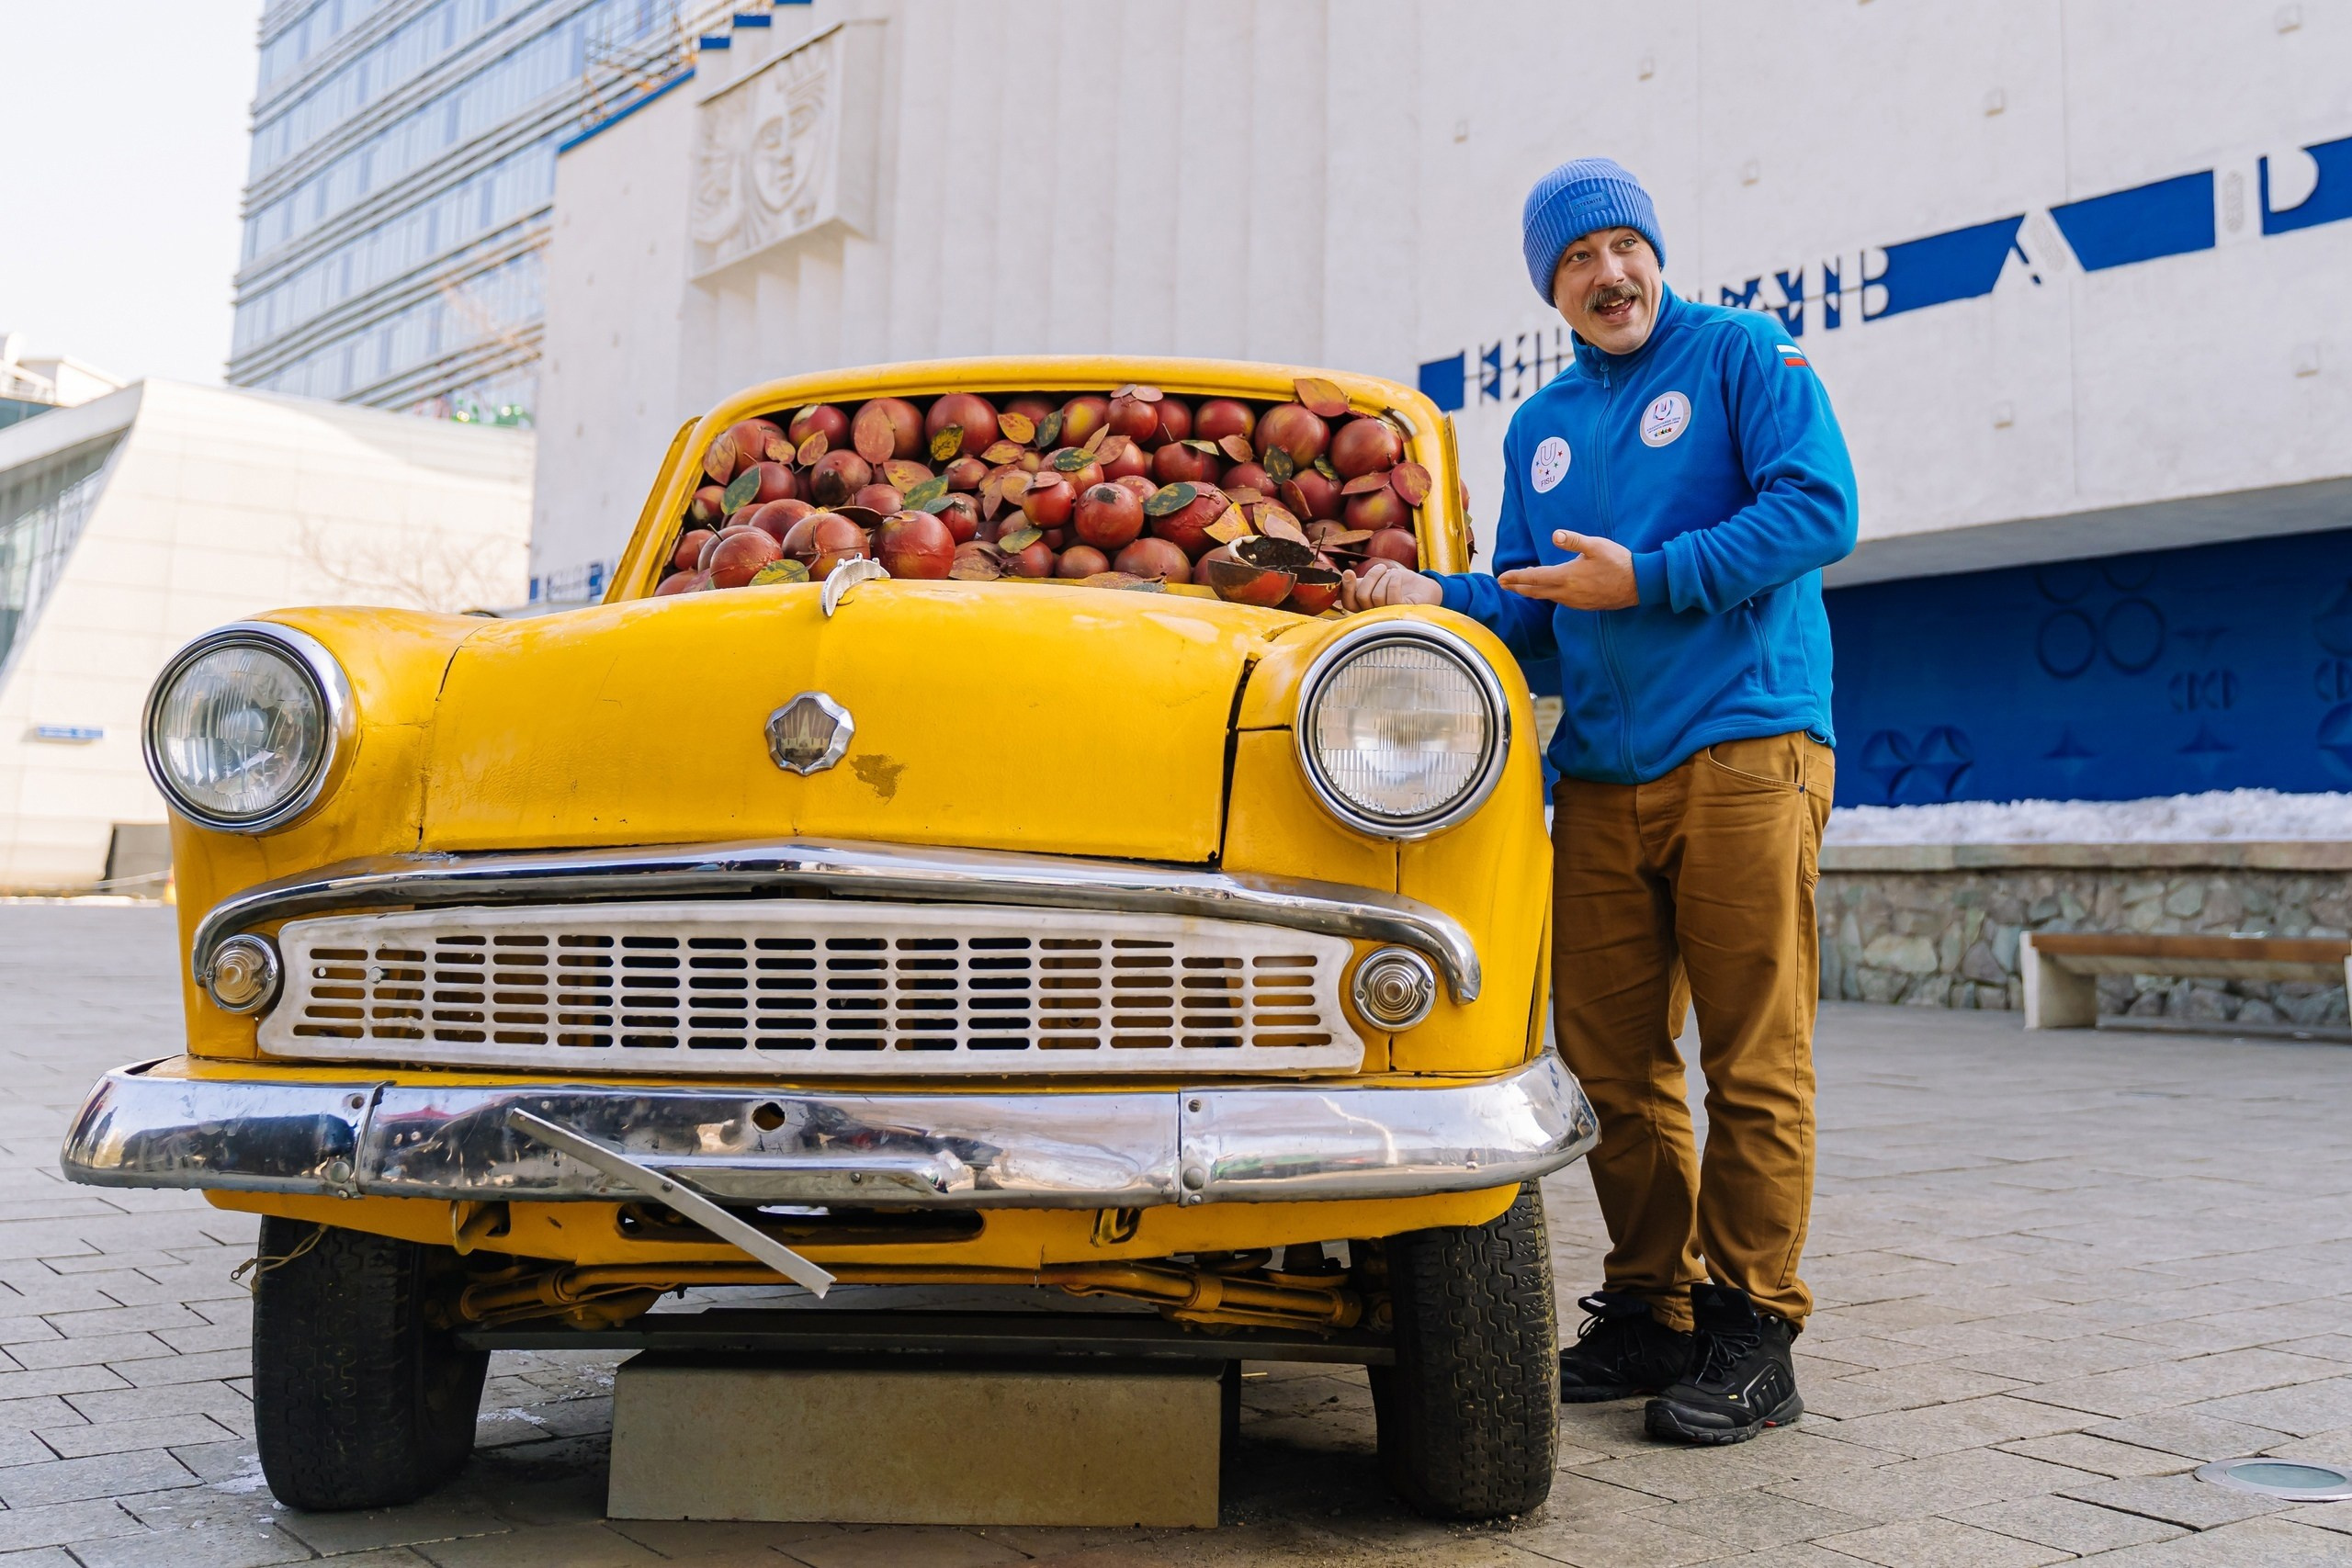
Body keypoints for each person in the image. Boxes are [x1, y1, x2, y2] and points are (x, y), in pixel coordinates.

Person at [1343, 157, 1858, 1445]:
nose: (1609, 272)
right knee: (1610, 1065)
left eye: (1625, 245)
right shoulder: (1544, 425)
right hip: (1606, 778)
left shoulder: (1743, 354)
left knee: (1752, 1057)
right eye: (1579, 258)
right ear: (1550, 287)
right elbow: (1535, 609)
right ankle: (1650, 1310)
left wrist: (1657, 577)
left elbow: (1820, 510)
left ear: (1656, 255)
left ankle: (1754, 1328)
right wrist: (1437, 600)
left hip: (1749, 749)